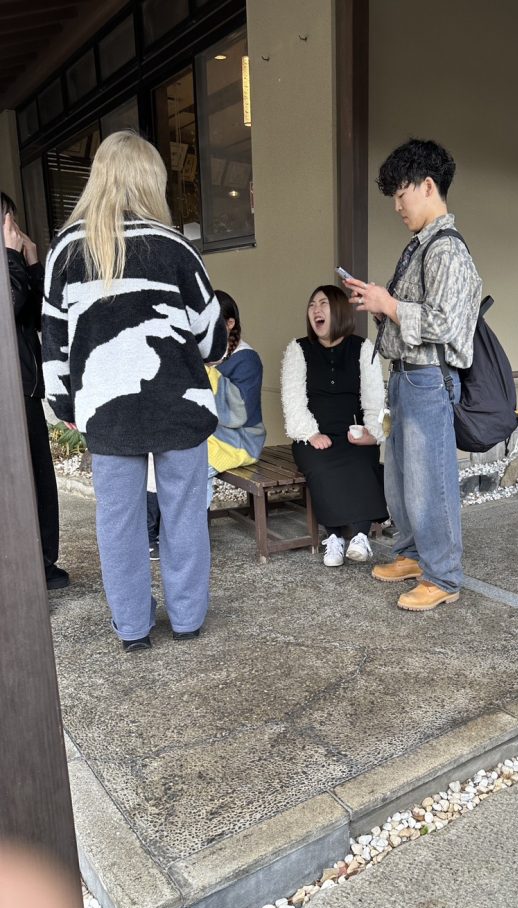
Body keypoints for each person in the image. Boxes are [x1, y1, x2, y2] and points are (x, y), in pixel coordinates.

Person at [42, 131, 227, 651]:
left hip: (106, 410)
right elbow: (212, 340)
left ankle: (132, 629)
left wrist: (64, 405)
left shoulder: (65, 251)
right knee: (184, 514)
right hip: (179, 403)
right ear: (151, 180)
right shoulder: (175, 247)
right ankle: (187, 619)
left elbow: (54, 342)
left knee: (118, 524)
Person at [344, 138, 482, 610]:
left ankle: (442, 576)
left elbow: (447, 324)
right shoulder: (423, 247)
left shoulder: (446, 250)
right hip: (407, 375)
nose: (397, 206)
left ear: (427, 186)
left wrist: (389, 304)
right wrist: (380, 305)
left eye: (401, 195)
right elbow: (415, 316)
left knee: (430, 481)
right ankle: (412, 555)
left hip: (428, 378)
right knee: (401, 478)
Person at [280, 284, 387, 566]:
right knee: (321, 465)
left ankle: (360, 536)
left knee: (363, 460)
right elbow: (293, 399)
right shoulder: (299, 349)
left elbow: (374, 399)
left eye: (323, 304)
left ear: (339, 311)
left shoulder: (362, 348)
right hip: (314, 435)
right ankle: (334, 538)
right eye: (312, 305)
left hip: (353, 433)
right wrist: (310, 433)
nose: (315, 310)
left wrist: (372, 433)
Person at [3, 192, 69, 591]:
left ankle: (44, 562)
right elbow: (6, 307)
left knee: (41, 479)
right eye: (8, 221)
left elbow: (42, 314)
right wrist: (12, 258)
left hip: (25, 390)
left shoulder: (11, 264)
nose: (14, 229)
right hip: (6, 395)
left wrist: (31, 262)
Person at [205, 289, 266, 506]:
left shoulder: (247, 359)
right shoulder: (206, 353)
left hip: (241, 439)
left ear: (230, 323)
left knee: (191, 467)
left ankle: (192, 525)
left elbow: (237, 414)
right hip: (211, 435)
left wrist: (206, 372)